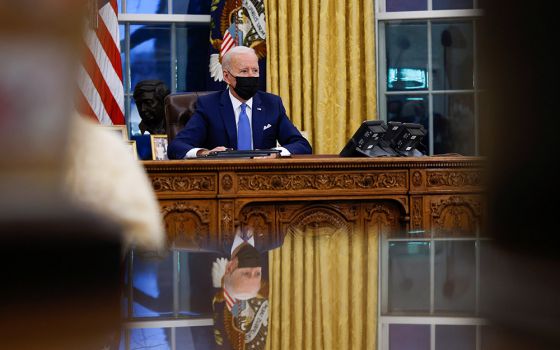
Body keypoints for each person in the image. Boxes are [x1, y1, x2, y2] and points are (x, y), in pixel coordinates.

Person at [167, 46, 312, 159]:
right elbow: (177, 147)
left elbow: (302, 145)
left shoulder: (272, 104)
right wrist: (206, 153)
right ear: (226, 76)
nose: (251, 76)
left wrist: (275, 153)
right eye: (244, 71)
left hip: (264, 180)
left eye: (255, 70)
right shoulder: (209, 106)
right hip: (224, 181)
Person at [210, 231, 270, 350]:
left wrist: (220, 286)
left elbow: (224, 325)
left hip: (224, 258)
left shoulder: (212, 240)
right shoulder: (271, 241)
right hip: (260, 256)